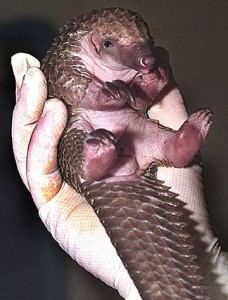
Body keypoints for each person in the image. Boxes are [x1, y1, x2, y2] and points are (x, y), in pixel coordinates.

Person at [11, 53, 228, 299]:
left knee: (155, 138)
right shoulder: (75, 67)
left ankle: (170, 149)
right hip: (88, 139)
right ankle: (100, 164)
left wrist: (207, 270)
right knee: (90, 147)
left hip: (132, 137)